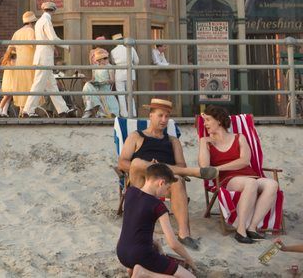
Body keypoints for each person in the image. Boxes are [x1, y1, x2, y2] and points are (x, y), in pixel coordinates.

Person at [119, 98, 218, 249]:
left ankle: (184, 234)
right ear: (150, 116)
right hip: (141, 181)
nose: (164, 120)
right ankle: (195, 172)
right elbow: (122, 163)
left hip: (164, 182)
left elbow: (180, 165)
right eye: (160, 115)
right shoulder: (136, 136)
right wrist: (150, 167)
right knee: (137, 162)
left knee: (177, 179)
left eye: (167, 116)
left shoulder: (173, 141)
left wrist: (160, 168)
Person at [198, 105, 279, 244]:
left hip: (249, 175)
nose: (205, 124)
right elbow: (205, 167)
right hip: (227, 179)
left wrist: (218, 167)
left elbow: (244, 161)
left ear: (218, 120)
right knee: (250, 183)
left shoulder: (239, 137)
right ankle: (241, 230)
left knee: (272, 184)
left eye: (208, 120)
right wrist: (203, 142)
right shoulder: (207, 142)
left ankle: (252, 227)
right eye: (204, 121)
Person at [116, 162, 197, 277]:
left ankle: (133, 270)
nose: (166, 192)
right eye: (167, 188)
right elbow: (173, 243)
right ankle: (145, 273)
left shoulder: (130, 192)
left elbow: (134, 226)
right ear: (161, 183)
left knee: (151, 253)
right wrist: (189, 260)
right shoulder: (158, 205)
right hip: (141, 255)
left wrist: (156, 242)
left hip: (122, 253)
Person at [23, 1, 73, 117]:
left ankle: (63, 110)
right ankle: (28, 110)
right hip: (44, 58)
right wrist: (66, 46)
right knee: (38, 84)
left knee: (52, 86)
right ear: (53, 10)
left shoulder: (40, 21)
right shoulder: (46, 20)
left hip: (43, 57)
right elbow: (53, 38)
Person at [1, 11, 38, 115]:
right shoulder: (31, 31)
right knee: (31, 85)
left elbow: (10, 47)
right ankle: (30, 110)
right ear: (32, 22)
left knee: (21, 86)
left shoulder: (17, 32)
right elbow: (34, 44)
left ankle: (22, 109)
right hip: (30, 62)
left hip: (19, 63)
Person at [81, 48, 118, 118]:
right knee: (87, 85)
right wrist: (89, 81)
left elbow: (112, 80)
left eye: (106, 58)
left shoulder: (109, 67)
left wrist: (104, 82)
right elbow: (93, 79)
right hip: (97, 87)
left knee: (88, 88)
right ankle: (89, 108)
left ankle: (89, 109)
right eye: (103, 59)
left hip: (105, 89)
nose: (105, 60)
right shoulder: (95, 67)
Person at [110, 33, 139, 117]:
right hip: (130, 72)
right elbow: (137, 61)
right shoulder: (131, 48)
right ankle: (133, 112)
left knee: (121, 94)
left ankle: (124, 113)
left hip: (119, 72)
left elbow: (113, 62)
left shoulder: (113, 51)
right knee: (130, 94)